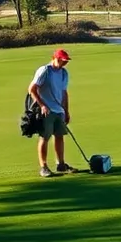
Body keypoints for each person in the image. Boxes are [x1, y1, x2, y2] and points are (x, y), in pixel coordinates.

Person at [28, 49, 75, 178]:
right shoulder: (44, 70)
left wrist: (66, 110)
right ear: (55, 58)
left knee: (59, 136)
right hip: (47, 110)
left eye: (66, 61)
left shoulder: (64, 73)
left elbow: (64, 93)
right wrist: (42, 105)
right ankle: (44, 167)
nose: (65, 63)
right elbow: (32, 89)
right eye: (63, 60)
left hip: (59, 110)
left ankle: (61, 164)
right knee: (45, 137)